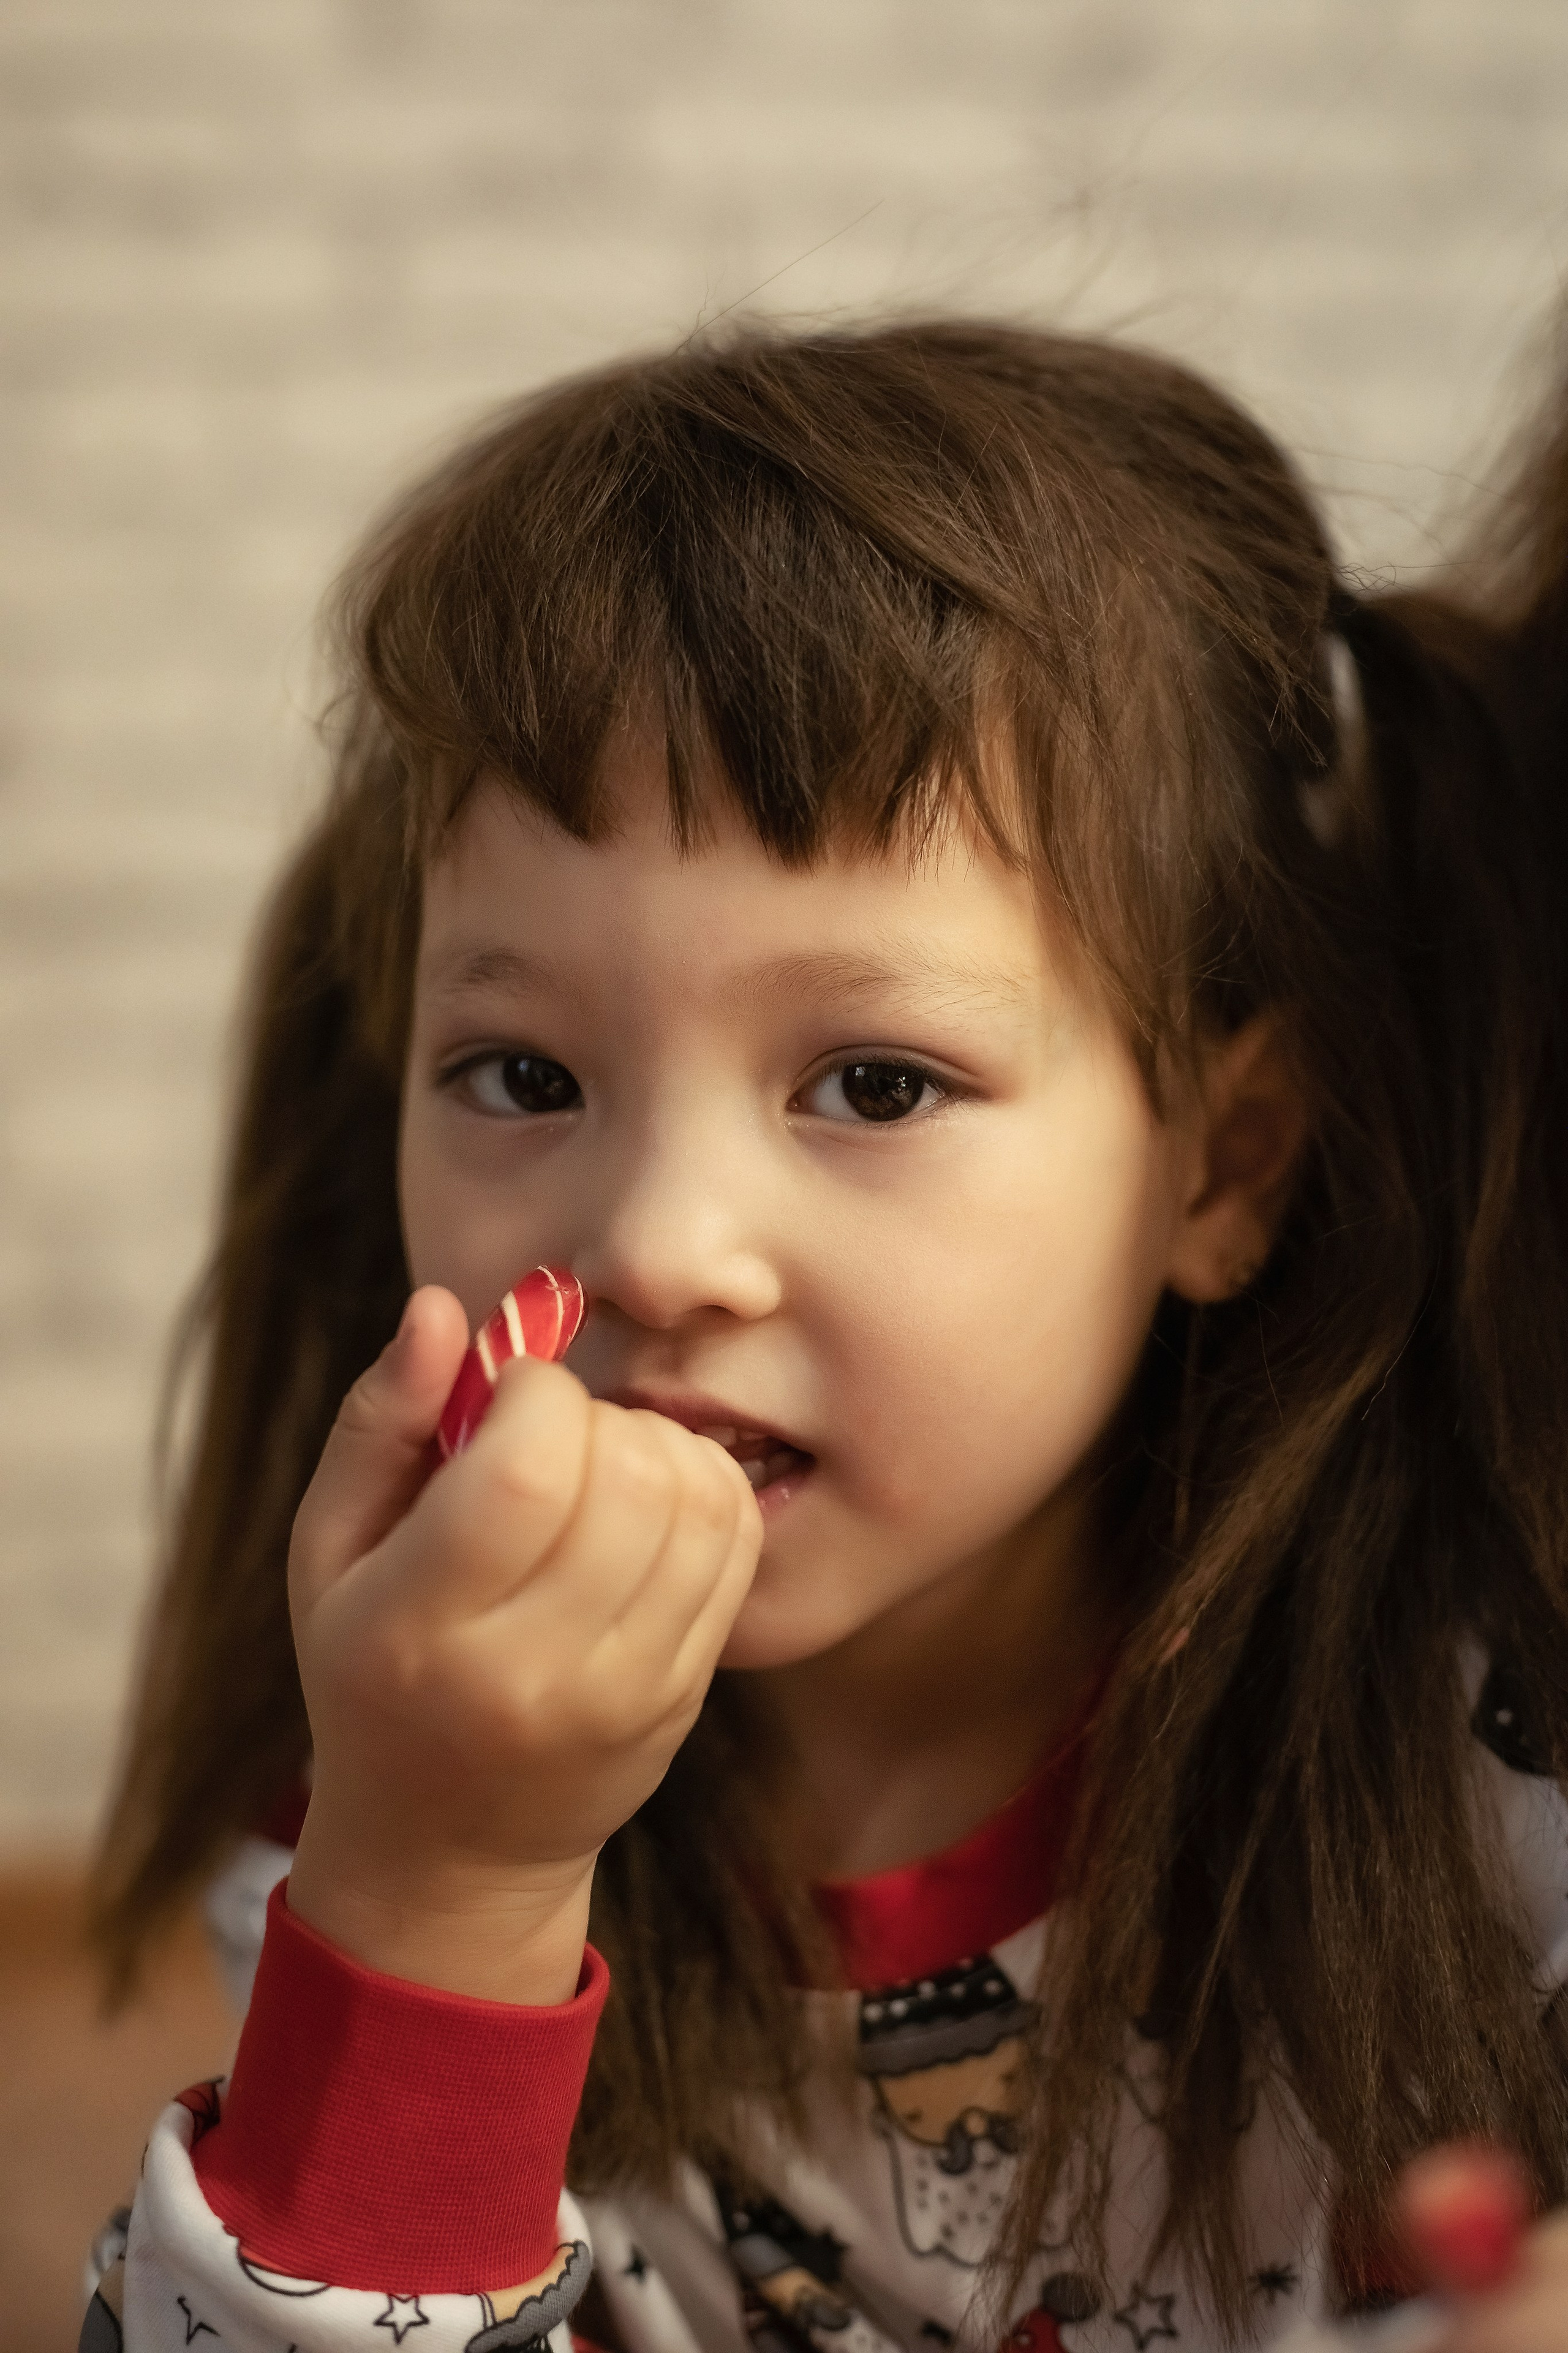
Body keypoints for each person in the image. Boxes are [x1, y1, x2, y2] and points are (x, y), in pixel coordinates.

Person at [77, 322, 1568, 2353]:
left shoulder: (1491, 1759)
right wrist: (435, 1895)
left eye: (870, 1085)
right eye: (521, 1072)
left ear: (1220, 1168)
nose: (664, 1248)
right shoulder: (406, 1760)